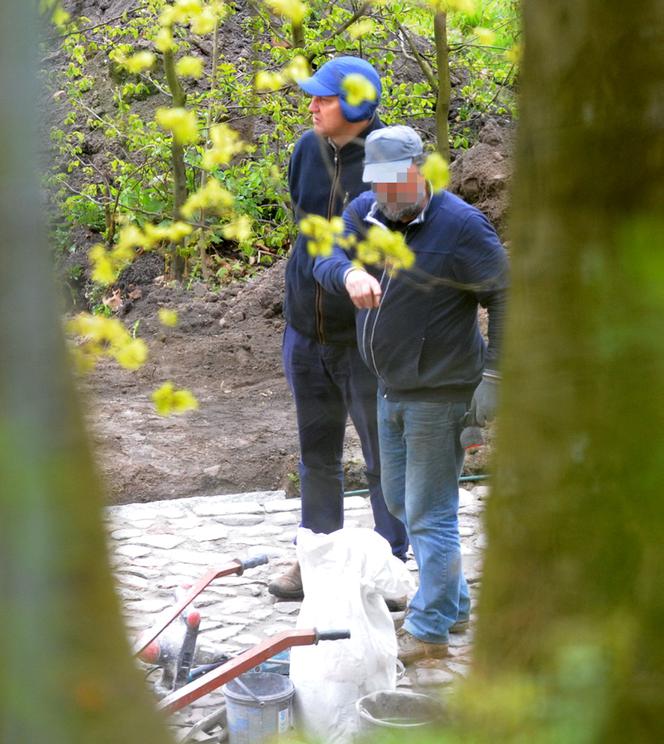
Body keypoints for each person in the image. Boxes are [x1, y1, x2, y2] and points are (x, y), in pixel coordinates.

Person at [313, 125, 509, 663]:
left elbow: (507, 295)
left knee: (428, 512)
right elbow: (324, 257)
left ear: (421, 172)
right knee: (400, 500)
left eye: (395, 185)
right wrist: (349, 273)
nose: (385, 198)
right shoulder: (365, 214)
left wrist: (495, 377)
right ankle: (454, 603)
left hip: (441, 391)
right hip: (389, 384)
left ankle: (428, 632)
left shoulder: (462, 227)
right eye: (377, 186)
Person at [268, 58, 409, 600]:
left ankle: (389, 564)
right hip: (306, 333)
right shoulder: (306, 149)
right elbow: (305, 229)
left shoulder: (392, 162)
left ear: (354, 105)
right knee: (316, 455)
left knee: (382, 459)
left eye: (323, 99)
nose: (312, 106)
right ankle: (317, 559)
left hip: (367, 342)